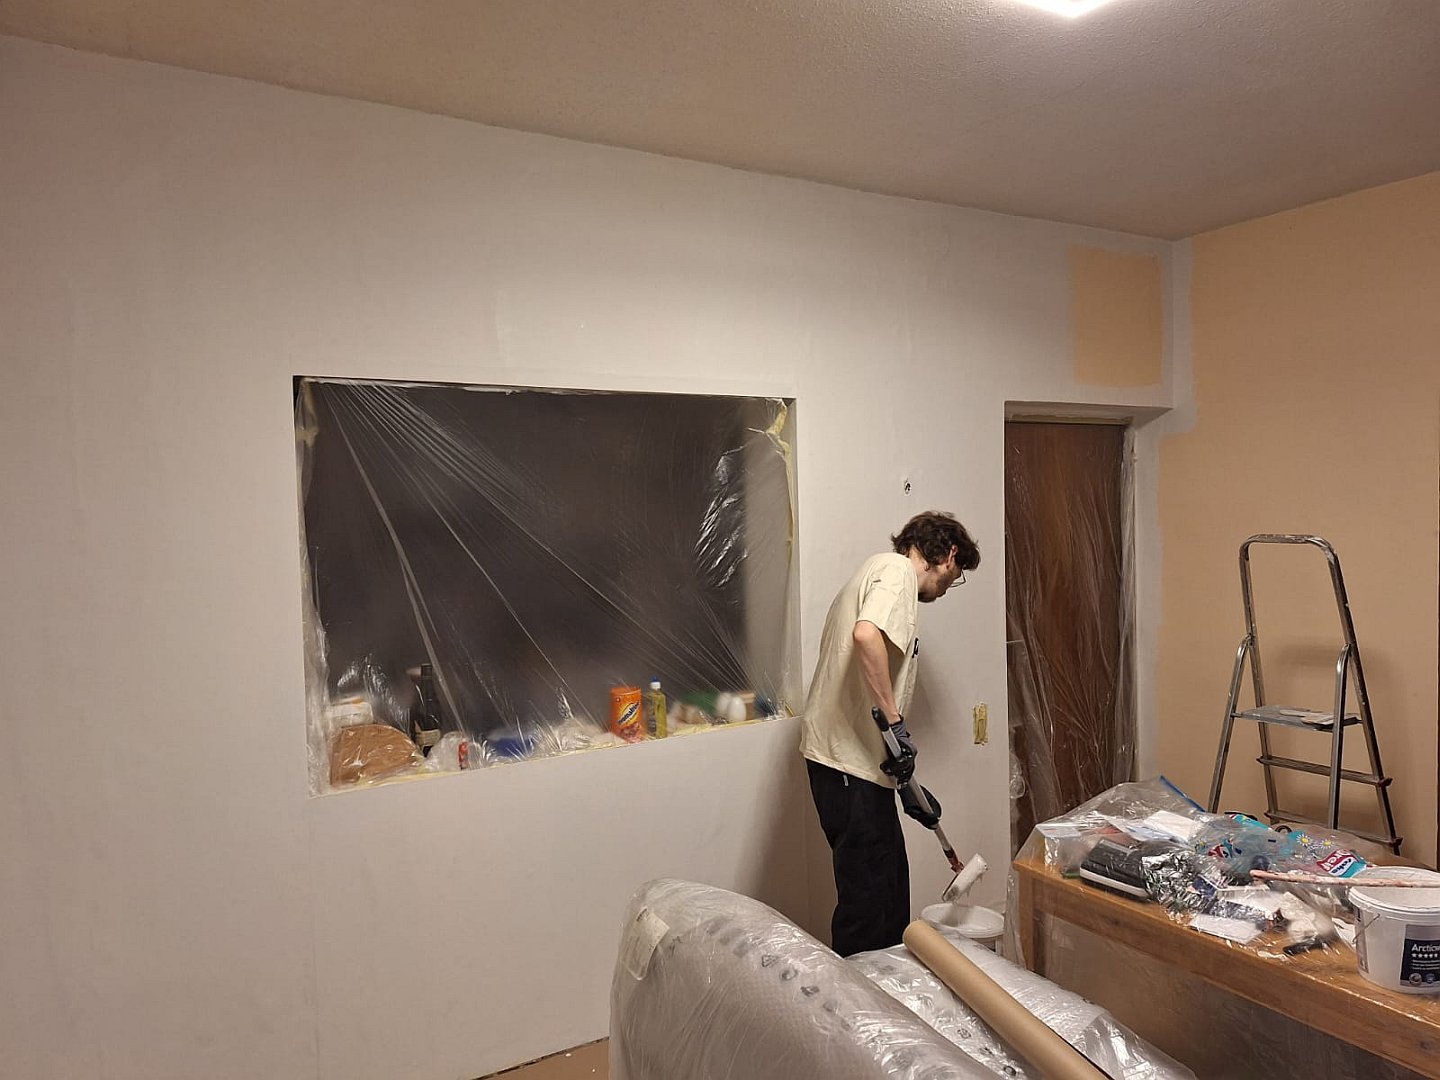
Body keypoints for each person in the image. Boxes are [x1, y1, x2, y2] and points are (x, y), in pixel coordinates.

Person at [800, 511, 980, 956]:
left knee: (888, 890)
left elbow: (862, 684)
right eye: (956, 574)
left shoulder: (874, 573)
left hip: (854, 764)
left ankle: (883, 990)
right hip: (847, 765)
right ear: (949, 555)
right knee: (870, 906)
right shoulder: (896, 569)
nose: (947, 586)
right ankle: (861, 997)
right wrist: (896, 723)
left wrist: (902, 783)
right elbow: (866, 636)